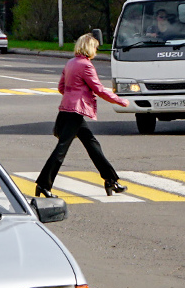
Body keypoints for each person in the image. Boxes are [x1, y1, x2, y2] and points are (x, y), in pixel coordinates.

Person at [33, 34, 130, 197]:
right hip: (75, 111)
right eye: (95, 48)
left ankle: (110, 180)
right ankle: (43, 184)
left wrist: (73, 96)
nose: (96, 51)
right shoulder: (86, 66)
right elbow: (99, 89)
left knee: (93, 144)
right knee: (61, 149)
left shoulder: (70, 63)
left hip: (68, 109)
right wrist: (120, 101)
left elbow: (61, 87)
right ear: (89, 48)